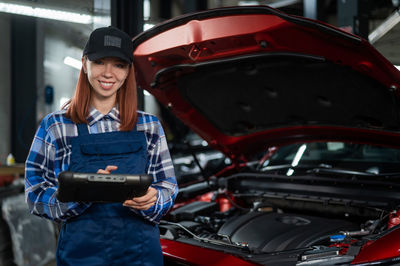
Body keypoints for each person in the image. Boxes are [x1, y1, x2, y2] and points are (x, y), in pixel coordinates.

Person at [25, 26, 178, 265]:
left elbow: (168, 186)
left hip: (140, 256)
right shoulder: (55, 126)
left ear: (128, 71)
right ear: (84, 63)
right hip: (81, 257)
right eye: (99, 62)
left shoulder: (150, 126)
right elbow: (34, 193)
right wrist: (80, 194)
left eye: (119, 65)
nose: (108, 73)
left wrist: (153, 200)